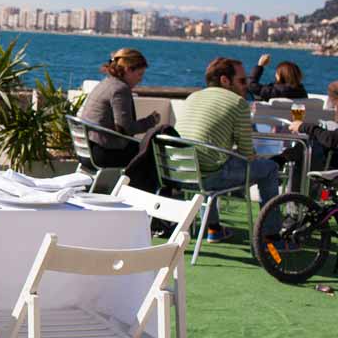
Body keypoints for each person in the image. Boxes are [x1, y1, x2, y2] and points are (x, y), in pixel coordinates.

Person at [175, 57, 281, 243]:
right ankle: (271, 236)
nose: (246, 85)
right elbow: (247, 153)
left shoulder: (193, 97)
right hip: (209, 177)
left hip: (179, 173)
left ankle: (214, 229)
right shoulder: (238, 103)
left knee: (211, 162)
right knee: (270, 168)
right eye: (242, 80)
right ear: (225, 80)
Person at [77, 48, 160, 167]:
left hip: (86, 151)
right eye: (139, 74)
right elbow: (125, 128)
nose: (140, 79)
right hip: (102, 154)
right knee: (154, 155)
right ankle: (141, 186)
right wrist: (151, 121)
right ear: (127, 70)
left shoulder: (106, 83)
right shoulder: (120, 89)